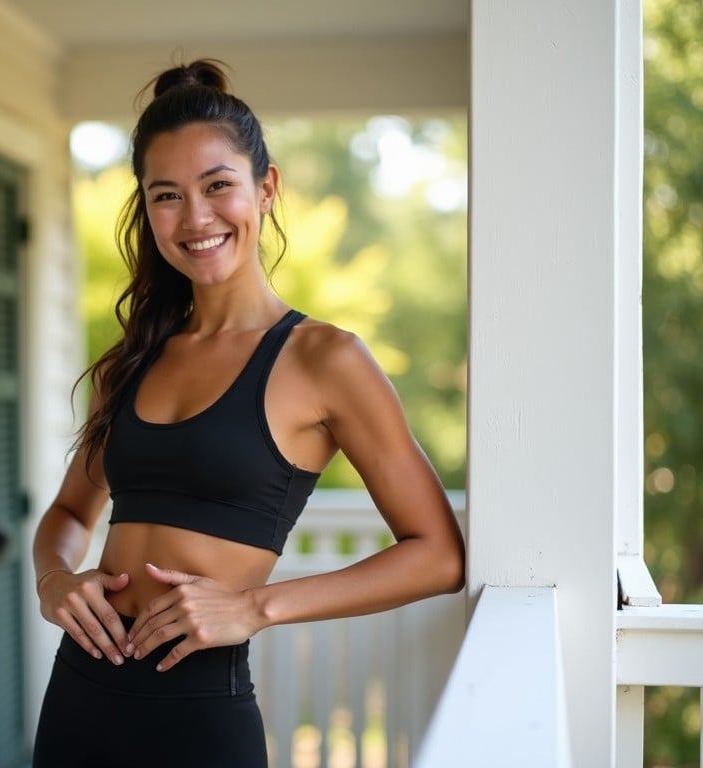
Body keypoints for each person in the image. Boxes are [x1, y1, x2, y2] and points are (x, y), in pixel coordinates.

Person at [31, 58, 466, 768]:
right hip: (79, 693)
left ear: (265, 189)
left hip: (198, 709)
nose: (195, 218)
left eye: (218, 186)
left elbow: (438, 554)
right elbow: (70, 516)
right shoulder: (134, 358)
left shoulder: (325, 359)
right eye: (166, 195)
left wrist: (256, 608)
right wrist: (56, 582)